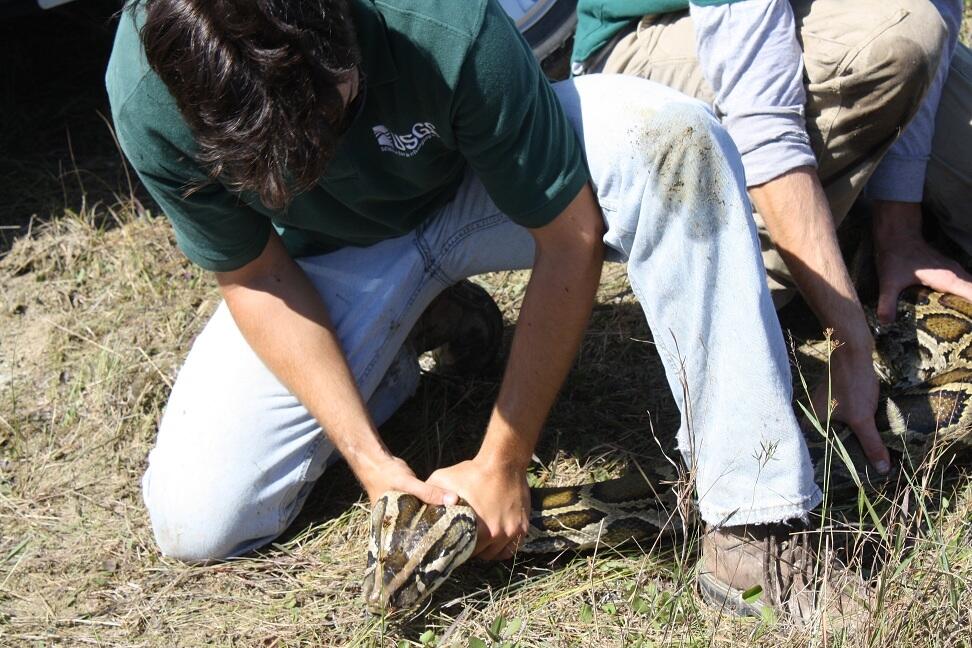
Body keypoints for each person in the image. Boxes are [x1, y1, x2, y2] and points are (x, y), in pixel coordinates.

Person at [107, 0, 863, 623]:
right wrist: (375, 470)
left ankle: (756, 525)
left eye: (329, 119)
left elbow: (569, 235)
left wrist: (504, 458)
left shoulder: (433, 18)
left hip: (487, 186)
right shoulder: (152, 91)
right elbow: (256, 276)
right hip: (332, 254)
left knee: (677, 143)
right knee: (198, 517)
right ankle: (414, 334)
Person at [572, 0, 972, 478]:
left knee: (911, 35)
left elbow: (940, 15)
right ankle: (734, 288)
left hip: (828, 23)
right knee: (896, 41)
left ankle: (843, 232)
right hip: (641, 47)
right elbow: (764, 124)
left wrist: (899, 226)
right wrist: (848, 339)